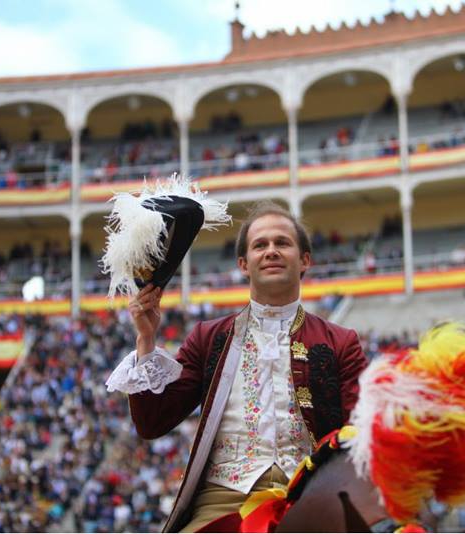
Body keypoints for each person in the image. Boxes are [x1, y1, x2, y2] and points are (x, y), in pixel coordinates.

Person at [106, 201, 369, 532]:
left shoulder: (340, 342)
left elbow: (359, 436)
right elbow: (152, 423)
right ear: (244, 264)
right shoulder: (209, 337)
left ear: (304, 261)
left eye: (282, 243)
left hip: (309, 497)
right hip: (222, 501)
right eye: (260, 245)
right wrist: (146, 341)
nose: (271, 251)